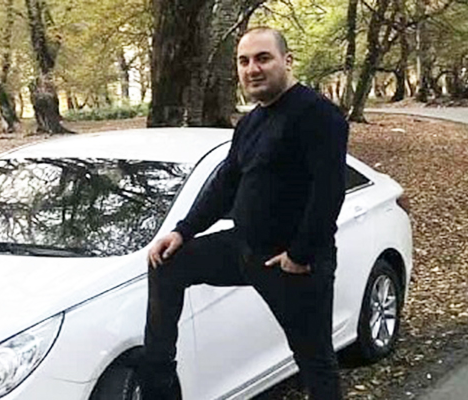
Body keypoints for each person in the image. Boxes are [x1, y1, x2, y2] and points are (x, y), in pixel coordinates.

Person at [140, 26, 348, 400]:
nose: (252, 69)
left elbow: (329, 192)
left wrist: (300, 255)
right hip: (244, 249)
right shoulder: (251, 122)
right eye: (244, 61)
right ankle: (159, 385)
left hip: (292, 264)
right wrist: (183, 231)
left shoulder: (318, 115)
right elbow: (226, 183)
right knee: (167, 265)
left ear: (287, 60)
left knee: (315, 361)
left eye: (263, 58)